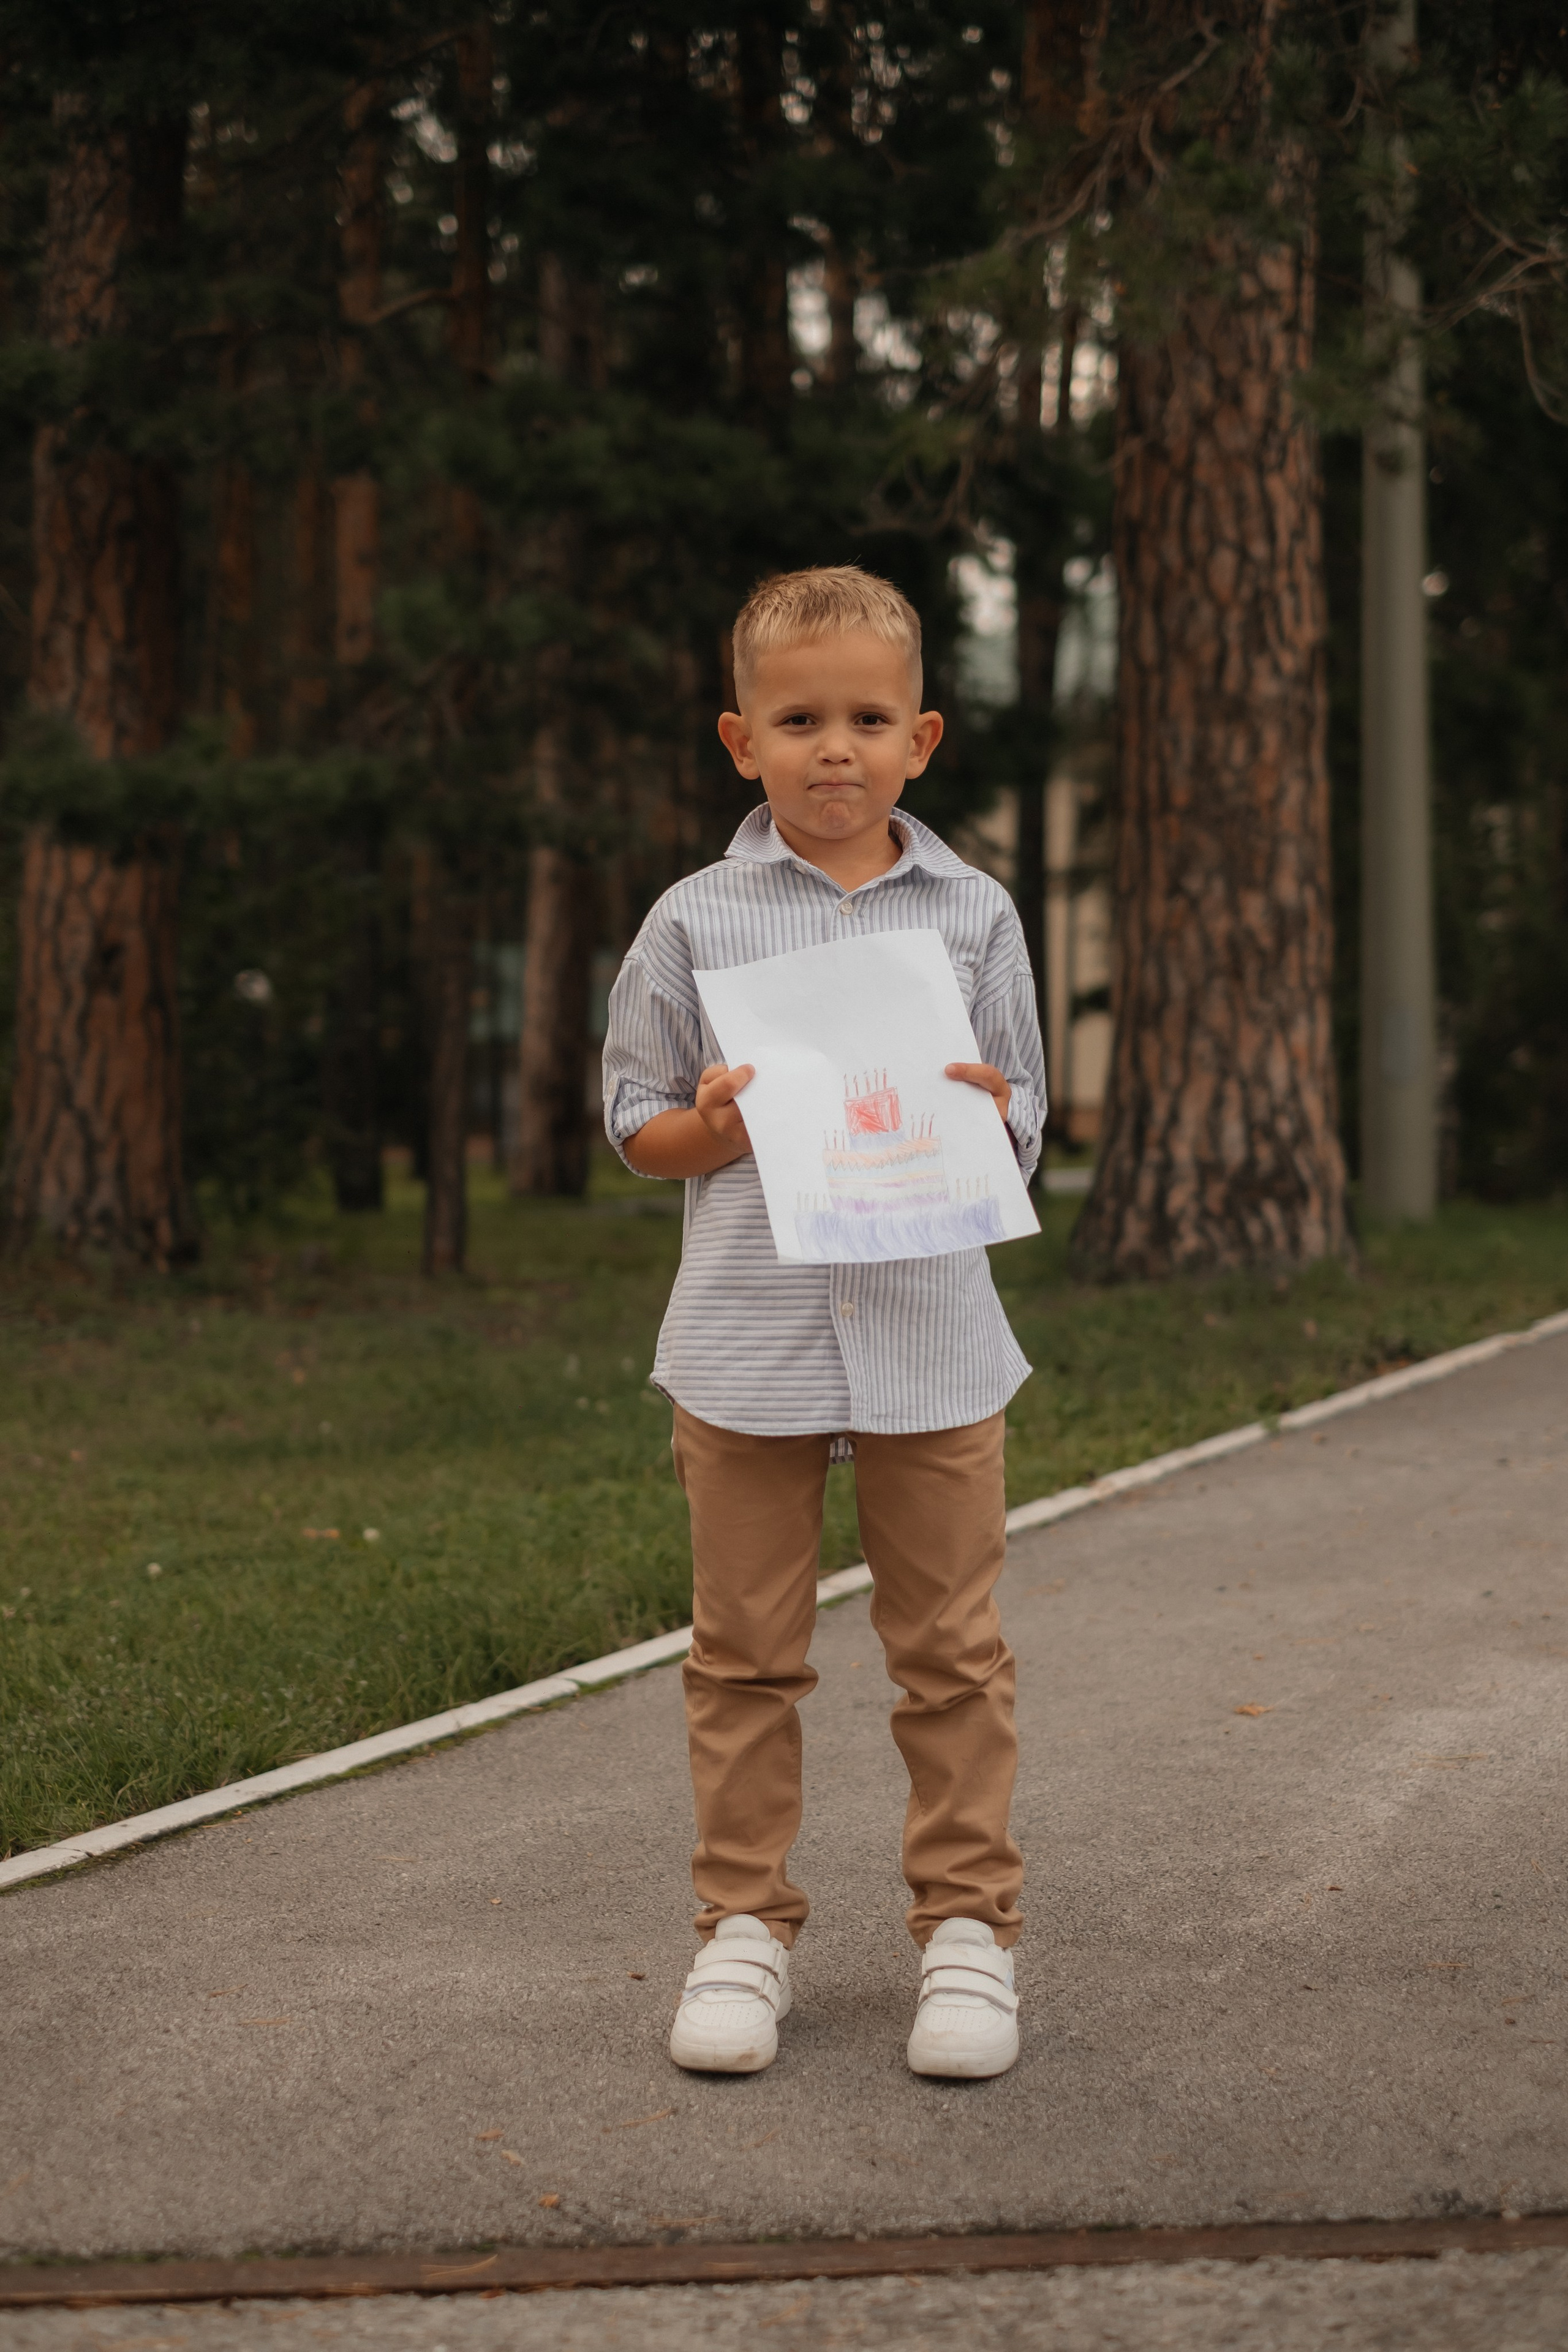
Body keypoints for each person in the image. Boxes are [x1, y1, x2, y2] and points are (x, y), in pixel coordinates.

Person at [601, 564, 1045, 2080]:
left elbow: (1024, 1120)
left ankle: (968, 1935)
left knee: (951, 1651)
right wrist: (711, 1126)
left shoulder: (974, 914)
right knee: (742, 1656)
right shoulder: (692, 921)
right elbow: (631, 1125)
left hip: (932, 1332)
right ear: (742, 742)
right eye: (799, 720)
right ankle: (743, 1929)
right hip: (748, 1339)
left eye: (866, 717)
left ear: (920, 738)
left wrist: (995, 1118)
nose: (833, 748)